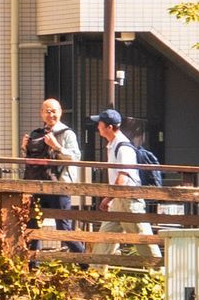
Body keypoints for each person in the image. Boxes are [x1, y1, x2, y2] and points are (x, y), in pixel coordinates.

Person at [22, 96, 85, 238]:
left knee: (63, 227)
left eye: (54, 111)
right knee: (33, 226)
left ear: (60, 112)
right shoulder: (36, 134)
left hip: (60, 185)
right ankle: (33, 254)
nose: (51, 115)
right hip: (39, 184)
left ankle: (80, 253)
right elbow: (32, 160)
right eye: (47, 111)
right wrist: (25, 148)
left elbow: (76, 158)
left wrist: (57, 147)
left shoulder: (67, 133)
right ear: (41, 113)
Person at [91, 107, 155, 232]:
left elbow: (122, 178)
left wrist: (108, 198)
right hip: (119, 198)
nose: (98, 126)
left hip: (129, 198)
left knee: (143, 238)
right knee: (105, 237)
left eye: (100, 123)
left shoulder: (123, 147)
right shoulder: (114, 144)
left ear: (109, 127)